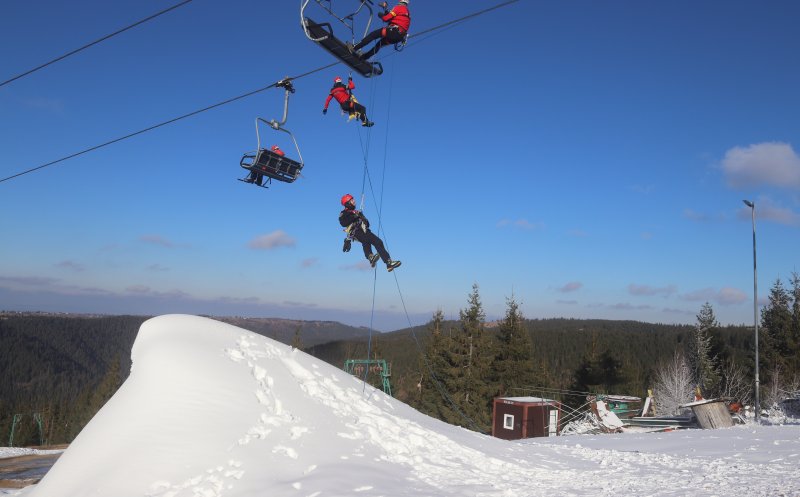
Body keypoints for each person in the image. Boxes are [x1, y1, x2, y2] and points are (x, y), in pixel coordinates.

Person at [339, 194, 401, 272]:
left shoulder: (357, 212)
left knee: (378, 242)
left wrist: (362, 218)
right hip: (356, 232)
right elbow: (343, 223)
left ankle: (388, 263)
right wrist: (355, 216)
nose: (354, 201)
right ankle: (370, 256)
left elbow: (367, 223)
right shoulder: (344, 213)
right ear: (347, 203)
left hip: (365, 231)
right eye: (352, 200)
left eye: (353, 199)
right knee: (365, 240)